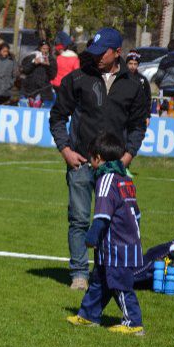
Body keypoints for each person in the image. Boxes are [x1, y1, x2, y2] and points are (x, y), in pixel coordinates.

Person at [49, 27, 148, 291]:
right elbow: (57, 117)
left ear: (117, 52)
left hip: (115, 168)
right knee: (79, 219)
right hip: (80, 162)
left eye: (101, 52)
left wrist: (126, 158)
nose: (95, 57)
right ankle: (79, 274)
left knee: (113, 224)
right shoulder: (77, 78)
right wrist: (66, 150)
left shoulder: (134, 85)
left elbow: (138, 126)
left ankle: (106, 273)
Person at [66, 132, 145, 336]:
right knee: (99, 281)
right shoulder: (125, 178)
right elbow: (136, 213)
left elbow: (102, 216)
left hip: (116, 245)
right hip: (126, 242)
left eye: (91, 158)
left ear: (98, 158)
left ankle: (133, 322)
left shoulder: (106, 179)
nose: (91, 163)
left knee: (120, 285)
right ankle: (88, 315)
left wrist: (91, 238)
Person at [19, 41, 57, 107]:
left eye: (47, 49)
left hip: (43, 90)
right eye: (43, 48)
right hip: (30, 89)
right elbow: (25, 70)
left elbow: (53, 76)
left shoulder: (51, 60)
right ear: (39, 48)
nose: (45, 51)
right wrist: (33, 63)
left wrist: (48, 65)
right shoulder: (31, 57)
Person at [125, 49, 152, 121]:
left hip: (138, 118)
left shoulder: (142, 80)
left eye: (135, 64)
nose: (132, 66)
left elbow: (147, 99)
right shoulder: (122, 77)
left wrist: (147, 116)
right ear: (127, 64)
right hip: (124, 116)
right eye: (130, 63)